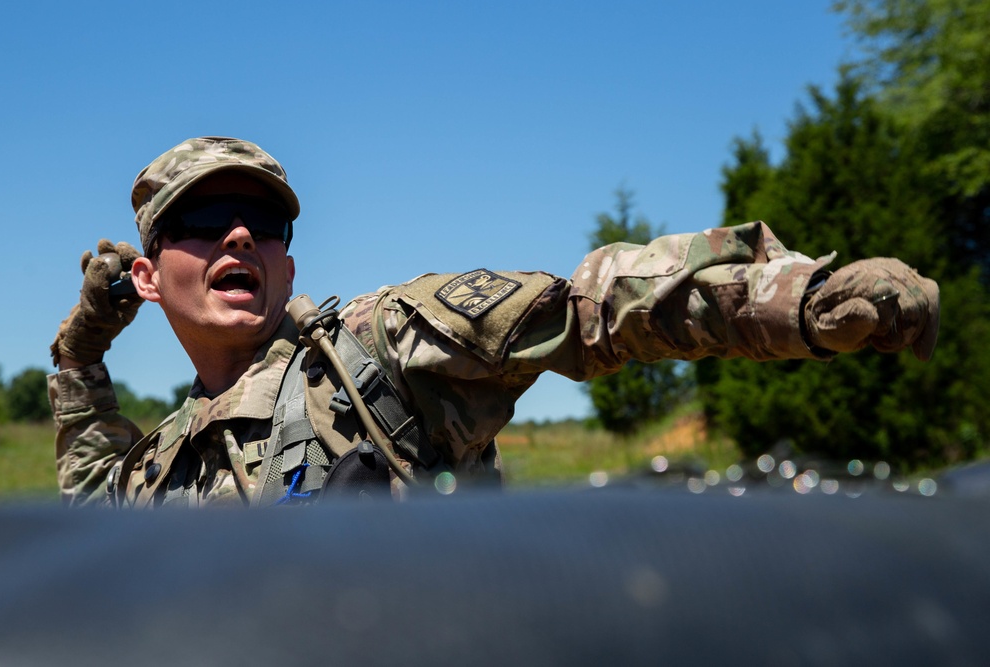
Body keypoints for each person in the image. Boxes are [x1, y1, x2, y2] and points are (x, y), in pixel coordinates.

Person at [48, 136, 940, 508]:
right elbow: (85, 484)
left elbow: (591, 310)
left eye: (262, 220)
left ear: (287, 263)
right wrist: (88, 331)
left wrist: (796, 302)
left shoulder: (380, 349)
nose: (237, 232)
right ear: (148, 273)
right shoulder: (156, 469)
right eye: (201, 222)